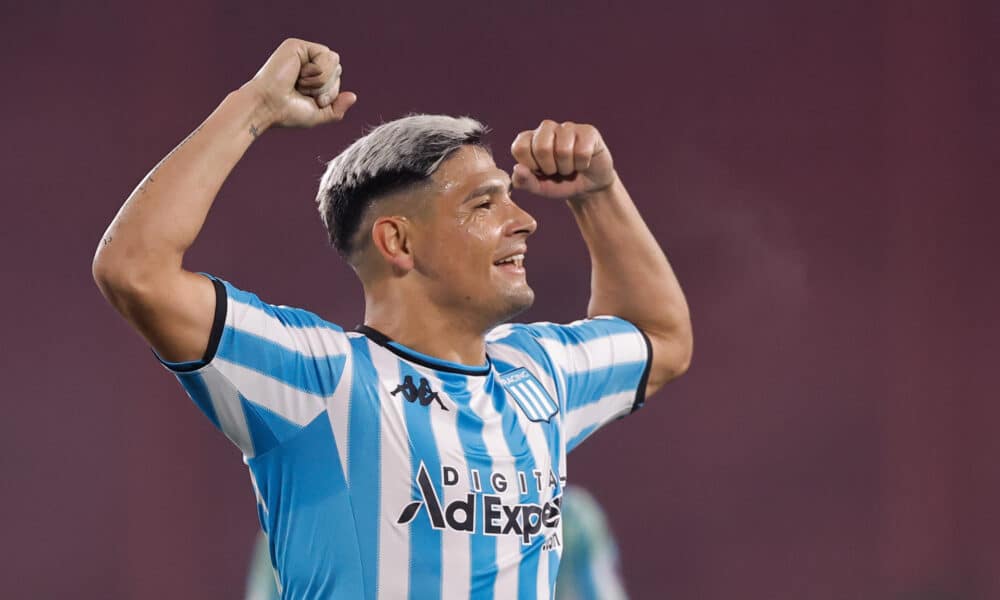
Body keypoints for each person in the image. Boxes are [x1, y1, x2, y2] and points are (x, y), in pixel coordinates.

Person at [93, 38, 692, 600]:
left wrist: (599, 194)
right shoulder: (319, 379)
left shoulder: (538, 375)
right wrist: (254, 102)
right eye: (484, 203)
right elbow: (135, 271)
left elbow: (660, 337)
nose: (526, 220)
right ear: (398, 242)